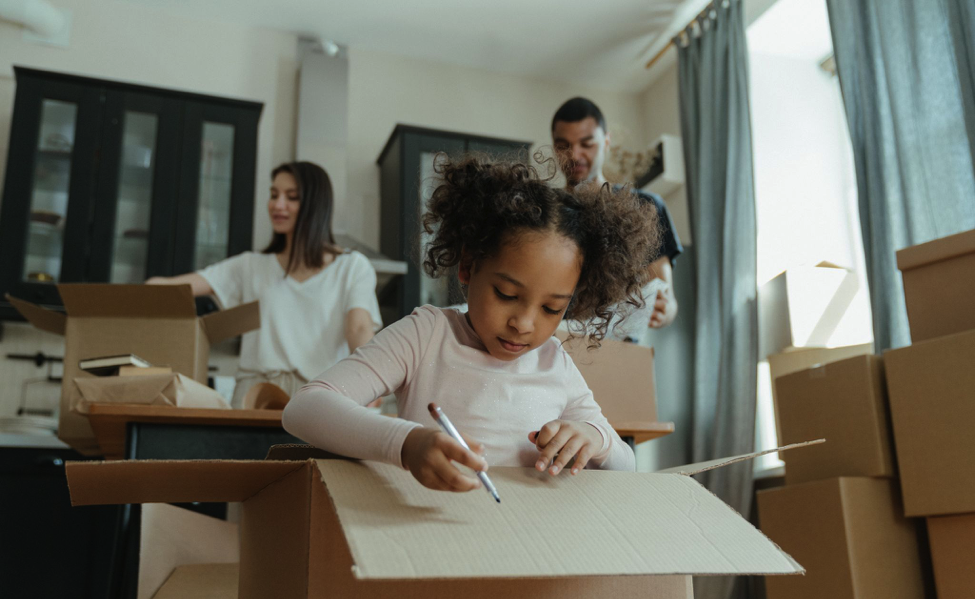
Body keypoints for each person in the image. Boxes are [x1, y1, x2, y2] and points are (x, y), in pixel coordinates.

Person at [282, 154, 661, 493]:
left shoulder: (555, 362)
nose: (524, 324)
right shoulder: (426, 335)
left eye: (551, 309)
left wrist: (595, 437)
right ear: (468, 266)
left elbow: (626, 464)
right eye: (507, 295)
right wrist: (407, 443)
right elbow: (305, 408)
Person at [147, 161, 382, 407]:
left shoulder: (352, 266)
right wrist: (141, 292)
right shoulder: (251, 266)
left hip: (321, 396)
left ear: (316, 204)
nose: (277, 205)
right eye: (273, 195)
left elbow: (358, 329)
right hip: (255, 396)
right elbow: (175, 288)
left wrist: (373, 383)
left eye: (291, 197)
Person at [551, 97, 684, 339]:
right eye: (563, 145)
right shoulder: (546, 210)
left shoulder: (645, 206)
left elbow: (665, 296)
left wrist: (666, 310)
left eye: (587, 144)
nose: (575, 154)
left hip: (618, 348)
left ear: (606, 142)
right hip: (553, 344)